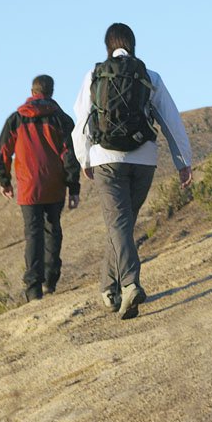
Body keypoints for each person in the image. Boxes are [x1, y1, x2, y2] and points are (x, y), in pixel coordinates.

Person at [73, 23, 193, 319]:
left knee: (118, 225)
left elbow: (82, 121)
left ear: (108, 46)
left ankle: (129, 284)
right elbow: (171, 121)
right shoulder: (150, 76)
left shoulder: (94, 75)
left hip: (106, 159)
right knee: (122, 225)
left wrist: (84, 158)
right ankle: (108, 289)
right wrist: (183, 161)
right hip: (144, 160)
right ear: (133, 44)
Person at [0, 74, 80, 301]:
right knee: (53, 229)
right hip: (55, 184)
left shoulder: (16, 119)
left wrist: (5, 180)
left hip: (28, 187)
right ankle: (50, 282)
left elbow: (3, 151)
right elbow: (71, 155)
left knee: (33, 234)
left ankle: (33, 289)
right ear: (51, 92)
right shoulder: (61, 119)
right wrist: (74, 187)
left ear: (32, 92)